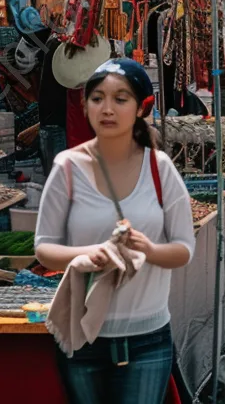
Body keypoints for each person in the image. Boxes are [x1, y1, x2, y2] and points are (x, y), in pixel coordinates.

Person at [34, 59, 195, 404]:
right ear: (85, 106)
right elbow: (44, 248)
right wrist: (87, 254)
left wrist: (149, 249)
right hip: (82, 338)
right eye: (97, 98)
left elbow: (184, 249)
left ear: (141, 108)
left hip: (147, 339)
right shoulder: (67, 167)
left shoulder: (159, 167)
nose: (107, 109)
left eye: (121, 99)